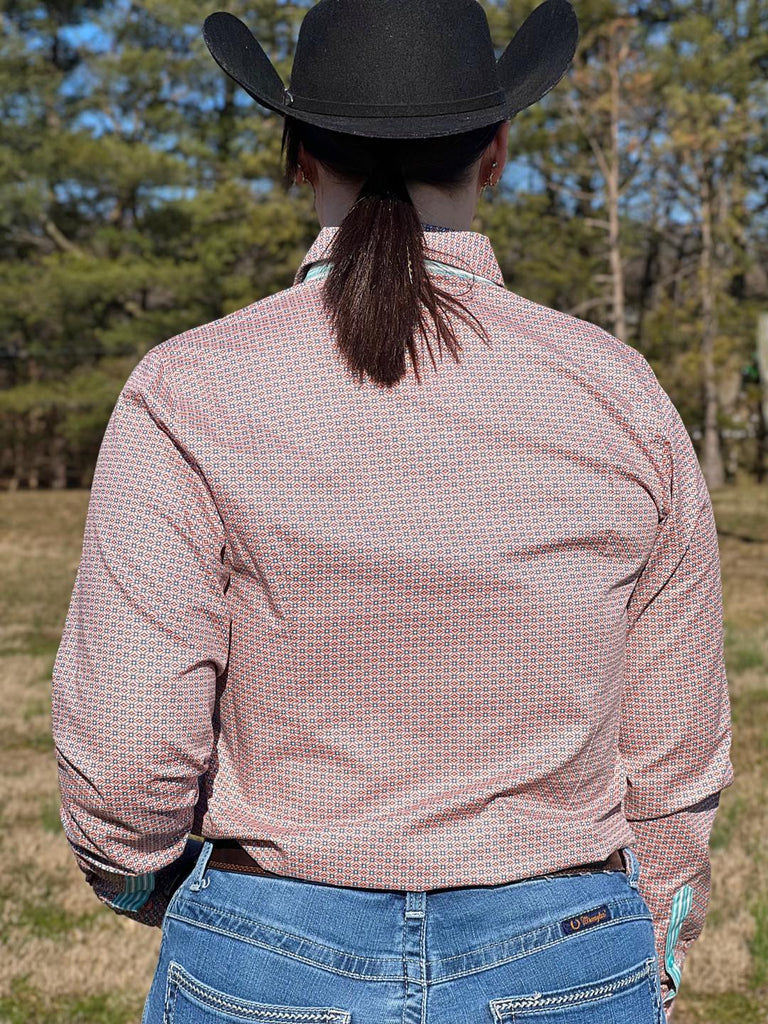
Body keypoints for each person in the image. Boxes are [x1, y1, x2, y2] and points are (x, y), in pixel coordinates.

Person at [49, 1, 734, 1022]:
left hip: (263, 949)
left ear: (295, 157)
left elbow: (126, 761)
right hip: (565, 952)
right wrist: (648, 948)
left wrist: (151, 883)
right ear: (495, 154)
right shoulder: (618, 392)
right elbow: (673, 756)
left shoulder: (186, 389)